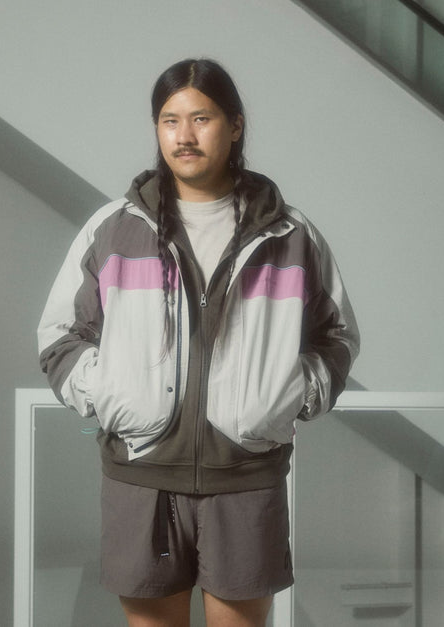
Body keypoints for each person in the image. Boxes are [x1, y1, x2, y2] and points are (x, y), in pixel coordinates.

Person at [38, 58, 359, 627]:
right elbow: (62, 333)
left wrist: (287, 396)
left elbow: (335, 334)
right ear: (157, 129)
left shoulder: (289, 234)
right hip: (140, 476)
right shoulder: (113, 229)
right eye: (170, 120)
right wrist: (109, 394)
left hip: (246, 476)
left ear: (235, 126)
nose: (184, 136)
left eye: (201, 118)